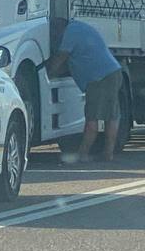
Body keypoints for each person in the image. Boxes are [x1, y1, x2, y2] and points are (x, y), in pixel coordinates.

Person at [46, 17, 124, 163]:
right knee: (111, 116)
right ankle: (108, 153)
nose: (54, 37)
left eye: (54, 33)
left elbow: (61, 57)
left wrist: (47, 74)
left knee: (92, 117)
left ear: (58, 28)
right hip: (113, 72)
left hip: (99, 78)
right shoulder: (79, 27)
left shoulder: (70, 32)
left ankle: (82, 154)